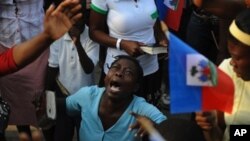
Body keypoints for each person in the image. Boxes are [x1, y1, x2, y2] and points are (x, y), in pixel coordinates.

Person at [0, 0, 82, 140]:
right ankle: (24, 133)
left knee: (42, 99)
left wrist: (47, 37)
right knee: (16, 100)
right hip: (6, 41)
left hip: (38, 41)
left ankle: (46, 132)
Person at [66, 55, 167, 141]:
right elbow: (63, 106)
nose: (119, 73)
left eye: (128, 73)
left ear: (135, 87)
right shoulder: (87, 95)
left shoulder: (141, 109)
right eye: (115, 67)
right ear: (105, 77)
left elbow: (171, 129)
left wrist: (155, 126)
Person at [89, 0, 168, 104]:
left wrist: (161, 37)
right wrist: (121, 43)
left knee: (146, 116)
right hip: (120, 73)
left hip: (150, 68)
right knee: (117, 115)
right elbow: (94, 32)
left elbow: (153, 17)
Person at [42, 9, 99, 141]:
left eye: (77, 21)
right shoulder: (59, 36)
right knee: (62, 135)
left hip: (86, 97)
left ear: (84, 20)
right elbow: (53, 68)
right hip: (63, 94)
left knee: (84, 135)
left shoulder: (91, 37)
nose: (72, 25)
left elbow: (89, 68)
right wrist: (47, 95)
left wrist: (77, 43)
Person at [195, 9, 250, 141]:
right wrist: (210, 125)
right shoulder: (227, 70)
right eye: (230, 55)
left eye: (237, 58)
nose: (232, 63)